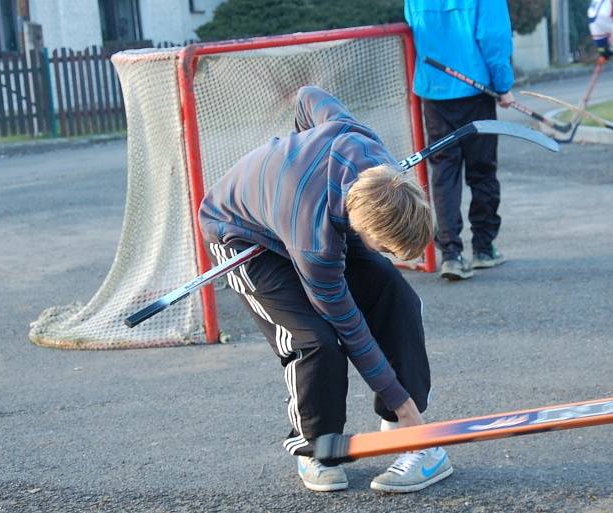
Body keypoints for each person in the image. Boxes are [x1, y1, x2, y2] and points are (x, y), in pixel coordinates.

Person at [199, 85, 452, 493]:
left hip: (315, 208)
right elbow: (350, 328)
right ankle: (317, 447)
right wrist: (406, 404)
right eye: (386, 247)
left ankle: (404, 437)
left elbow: (307, 96)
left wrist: (300, 147)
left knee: (398, 298)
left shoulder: (366, 146)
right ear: (364, 227)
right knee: (315, 340)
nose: (393, 256)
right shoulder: (316, 243)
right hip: (241, 234)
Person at [404, 0, 516, 280]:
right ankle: (483, 248)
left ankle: (451, 254)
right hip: (475, 90)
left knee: (444, 173)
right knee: (482, 171)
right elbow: (493, 37)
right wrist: (503, 85)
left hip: (434, 91)